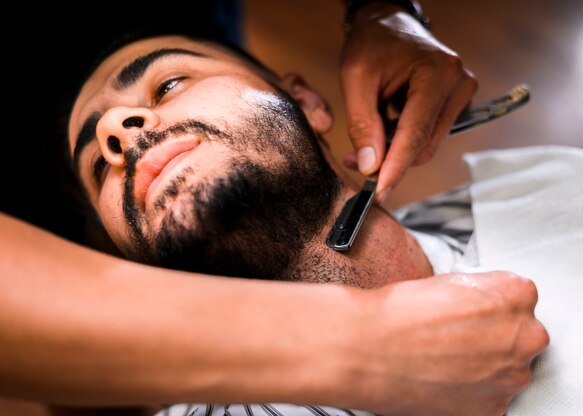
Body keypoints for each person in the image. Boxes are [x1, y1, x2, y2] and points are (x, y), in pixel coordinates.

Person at [1, 3, 545, 416]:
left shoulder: (556, 190)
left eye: (168, 85)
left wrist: (384, 9)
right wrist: (366, 341)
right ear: (114, 252)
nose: (115, 130)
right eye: (99, 165)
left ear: (306, 103)